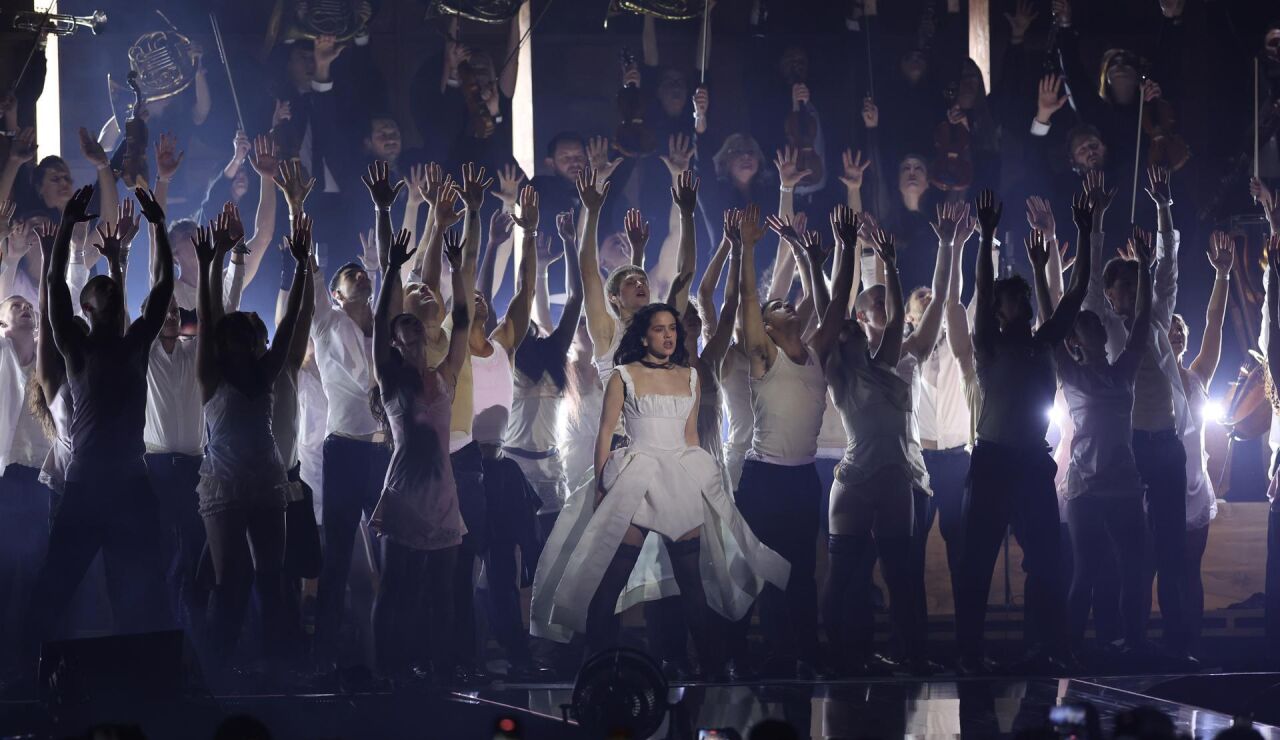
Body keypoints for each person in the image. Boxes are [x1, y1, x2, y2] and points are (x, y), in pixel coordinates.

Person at [539, 302, 788, 678]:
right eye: (659, 328)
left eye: (672, 328)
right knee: (609, 583)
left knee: (692, 586)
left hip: (678, 476)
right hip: (635, 476)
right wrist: (603, 484)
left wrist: (700, 479)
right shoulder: (623, 375)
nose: (669, 335)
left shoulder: (690, 375)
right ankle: (595, 667)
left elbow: (689, 437)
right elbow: (605, 432)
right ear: (643, 335)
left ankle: (712, 669)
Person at [22, 185, 175, 664]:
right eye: (100, 289)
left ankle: (141, 684)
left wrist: (158, 224)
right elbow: (52, 288)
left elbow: (164, 288)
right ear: (86, 308)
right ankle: (26, 675)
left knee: (139, 592)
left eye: (112, 286)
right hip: (88, 486)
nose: (109, 289)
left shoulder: (136, 344)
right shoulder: (76, 347)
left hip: (129, 484)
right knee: (55, 588)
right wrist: (67, 225)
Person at [955, 188, 1088, 674]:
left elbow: (1074, 294)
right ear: (999, 312)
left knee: (1049, 561)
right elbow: (984, 290)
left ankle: (1047, 645)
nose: (1022, 304)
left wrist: (1087, 233)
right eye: (1014, 300)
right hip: (992, 460)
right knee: (977, 563)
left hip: (1032, 461)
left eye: (1025, 299)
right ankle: (968, 652)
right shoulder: (988, 342)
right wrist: (987, 233)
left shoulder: (1044, 343)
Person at [191, 207, 311, 671]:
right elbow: (208, 318)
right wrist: (207, 265)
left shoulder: (264, 372)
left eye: (248, 338)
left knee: (268, 580)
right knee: (236, 582)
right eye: (237, 338)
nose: (246, 345)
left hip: (263, 479)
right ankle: (224, 664)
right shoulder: (212, 375)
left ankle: (270, 665)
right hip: (228, 481)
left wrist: (302, 266)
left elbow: (287, 328)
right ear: (226, 344)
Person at [1085, 167, 1193, 661]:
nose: (1126, 293)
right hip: (1126, 451)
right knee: (1124, 553)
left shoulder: (1156, 318)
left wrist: (1164, 206)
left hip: (1165, 442)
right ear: (1112, 295)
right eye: (1120, 288)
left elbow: (1168, 268)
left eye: (1133, 283)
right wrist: (1096, 223)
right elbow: (1086, 284)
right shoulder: (1107, 326)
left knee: (1171, 550)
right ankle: (1120, 639)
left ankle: (1175, 644)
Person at [1044, 222, 1152, 656]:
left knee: (1136, 570)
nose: (1096, 329)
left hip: (1124, 484)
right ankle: (1068, 650)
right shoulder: (1072, 374)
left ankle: (1135, 645)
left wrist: (1145, 268)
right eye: (1085, 327)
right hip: (1086, 487)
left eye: (1095, 325)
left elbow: (1142, 320)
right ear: (1076, 340)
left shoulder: (1122, 371)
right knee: (1085, 573)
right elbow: (1055, 319)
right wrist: (1046, 266)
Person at [733, 202, 829, 679]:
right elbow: (751, 301)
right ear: (767, 327)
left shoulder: (813, 351)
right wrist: (747, 249)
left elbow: (823, 300)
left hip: (803, 478)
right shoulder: (762, 356)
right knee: (770, 571)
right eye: (778, 307)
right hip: (765, 478)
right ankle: (774, 654)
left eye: (790, 304)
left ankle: (807, 651)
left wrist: (811, 252)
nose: (787, 305)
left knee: (804, 573)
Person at [369, 225, 469, 681]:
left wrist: (456, 268)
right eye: (402, 333)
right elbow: (376, 322)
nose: (411, 338)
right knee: (396, 589)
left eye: (416, 331)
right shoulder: (391, 381)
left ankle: (441, 665)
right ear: (395, 343)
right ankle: (388, 668)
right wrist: (391, 267)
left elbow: (463, 320)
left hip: (442, 493)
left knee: (443, 590)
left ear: (425, 337)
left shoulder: (445, 375)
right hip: (406, 493)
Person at [310, 160, 393, 666]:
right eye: (349, 276)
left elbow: (394, 274)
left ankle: (387, 650)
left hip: (384, 453)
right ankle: (326, 653)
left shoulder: (385, 326)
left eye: (362, 272)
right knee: (337, 557)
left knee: (394, 551)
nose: (358, 277)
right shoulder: (327, 325)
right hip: (343, 450)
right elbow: (310, 274)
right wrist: (299, 206)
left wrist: (380, 260)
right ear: (336, 295)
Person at [1171, 231, 1233, 652]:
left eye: (1180, 329)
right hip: (1154, 489)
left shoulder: (1197, 377)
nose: (1175, 332)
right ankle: (1163, 646)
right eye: (1169, 328)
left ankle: (1190, 643)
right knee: (1158, 571)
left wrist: (1223, 275)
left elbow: (1214, 322)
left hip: (1194, 491)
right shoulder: (1146, 377)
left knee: (1189, 572)